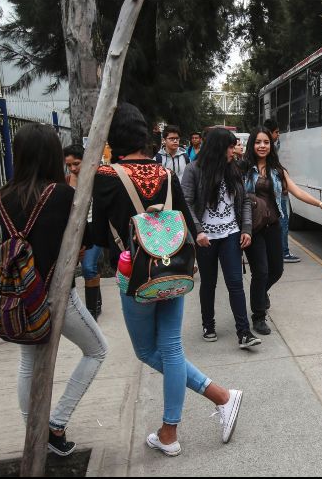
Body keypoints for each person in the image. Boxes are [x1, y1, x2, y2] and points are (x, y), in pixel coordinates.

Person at [91, 104, 243, 456]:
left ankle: (216, 398)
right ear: (145, 135)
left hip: (135, 277)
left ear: (112, 138)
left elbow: (98, 236)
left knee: (147, 351)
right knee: (172, 348)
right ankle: (172, 430)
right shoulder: (165, 174)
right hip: (173, 270)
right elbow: (187, 221)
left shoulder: (105, 176)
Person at [0, 123, 108, 457]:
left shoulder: (2, 197)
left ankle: (35, 430)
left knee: (27, 363)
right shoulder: (61, 195)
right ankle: (55, 423)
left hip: (20, 296)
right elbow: (83, 242)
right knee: (97, 350)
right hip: (55, 295)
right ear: (49, 156)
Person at [241, 127, 322, 335]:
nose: (262, 146)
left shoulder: (277, 170)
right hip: (252, 229)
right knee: (261, 271)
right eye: (258, 142)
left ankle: (260, 293)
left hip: (273, 226)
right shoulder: (243, 169)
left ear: (271, 145)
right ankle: (258, 316)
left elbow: (297, 191)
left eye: (266, 142)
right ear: (252, 145)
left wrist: (320, 203)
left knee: (277, 270)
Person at [182, 128, 260, 348]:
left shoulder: (233, 169)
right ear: (219, 147)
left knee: (235, 283)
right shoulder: (193, 170)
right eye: (230, 146)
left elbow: (244, 200)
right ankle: (208, 324)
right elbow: (186, 203)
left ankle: (244, 333)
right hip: (205, 238)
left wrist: (246, 228)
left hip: (230, 235)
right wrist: (197, 232)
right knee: (208, 283)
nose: (234, 150)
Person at [64, 143, 103, 319]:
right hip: (72, 231)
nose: (73, 168)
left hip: (93, 227)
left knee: (88, 268)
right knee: (75, 270)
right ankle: (96, 301)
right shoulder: (64, 182)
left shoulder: (97, 178)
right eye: (69, 165)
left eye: (76, 163)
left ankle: (92, 312)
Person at [263, 119, 299, 264]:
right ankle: (283, 251)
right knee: (283, 221)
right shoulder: (269, 150)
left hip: (275, 193)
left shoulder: (272, 149)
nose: (278, 135)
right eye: (276, 132)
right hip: (275, 195)